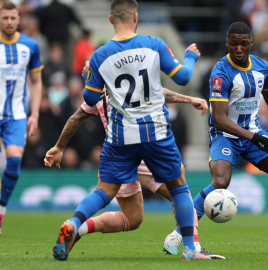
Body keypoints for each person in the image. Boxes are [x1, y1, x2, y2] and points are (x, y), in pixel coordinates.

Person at [48, 0, 209, 261]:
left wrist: (95, 77)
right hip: (155, 132)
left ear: (111, 20)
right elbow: (183, 77)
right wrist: (190, 57)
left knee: (103, 192)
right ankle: (190, 250)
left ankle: (74, 223)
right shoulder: (154, 44)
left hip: (121, 136)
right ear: (135, 17)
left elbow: (89, 101)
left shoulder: (100, 55)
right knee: (178, 188)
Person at [163, 22, 268, 255]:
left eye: (243, 44)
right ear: (227, 43)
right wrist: (255, 138)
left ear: (250, 43)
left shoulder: (262, 67)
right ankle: (177, 234)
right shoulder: (220, 72)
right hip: (225, 135)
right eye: (234, 43)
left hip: (252, 133)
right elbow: (219, 119)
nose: (238, 48)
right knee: (220, 182)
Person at [44, 62, 224, 259]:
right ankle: (193, 247)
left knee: (132, 217)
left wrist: (59, 146)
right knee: (180, 192)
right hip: (145, 147)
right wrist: (189, 98)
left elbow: (75, 118)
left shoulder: (96, 95)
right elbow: (158, 91)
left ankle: (76, 227)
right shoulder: (125, 79)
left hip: (117, 151)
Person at [0, 1, 43, 237]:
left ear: (19, 19)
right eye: (4, 18)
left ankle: (0, 211)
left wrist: (34, 114)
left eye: (12, 18)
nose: (9, 22)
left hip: (16, 116)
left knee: (14, 162)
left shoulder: (30, 46)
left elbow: (36, 82)